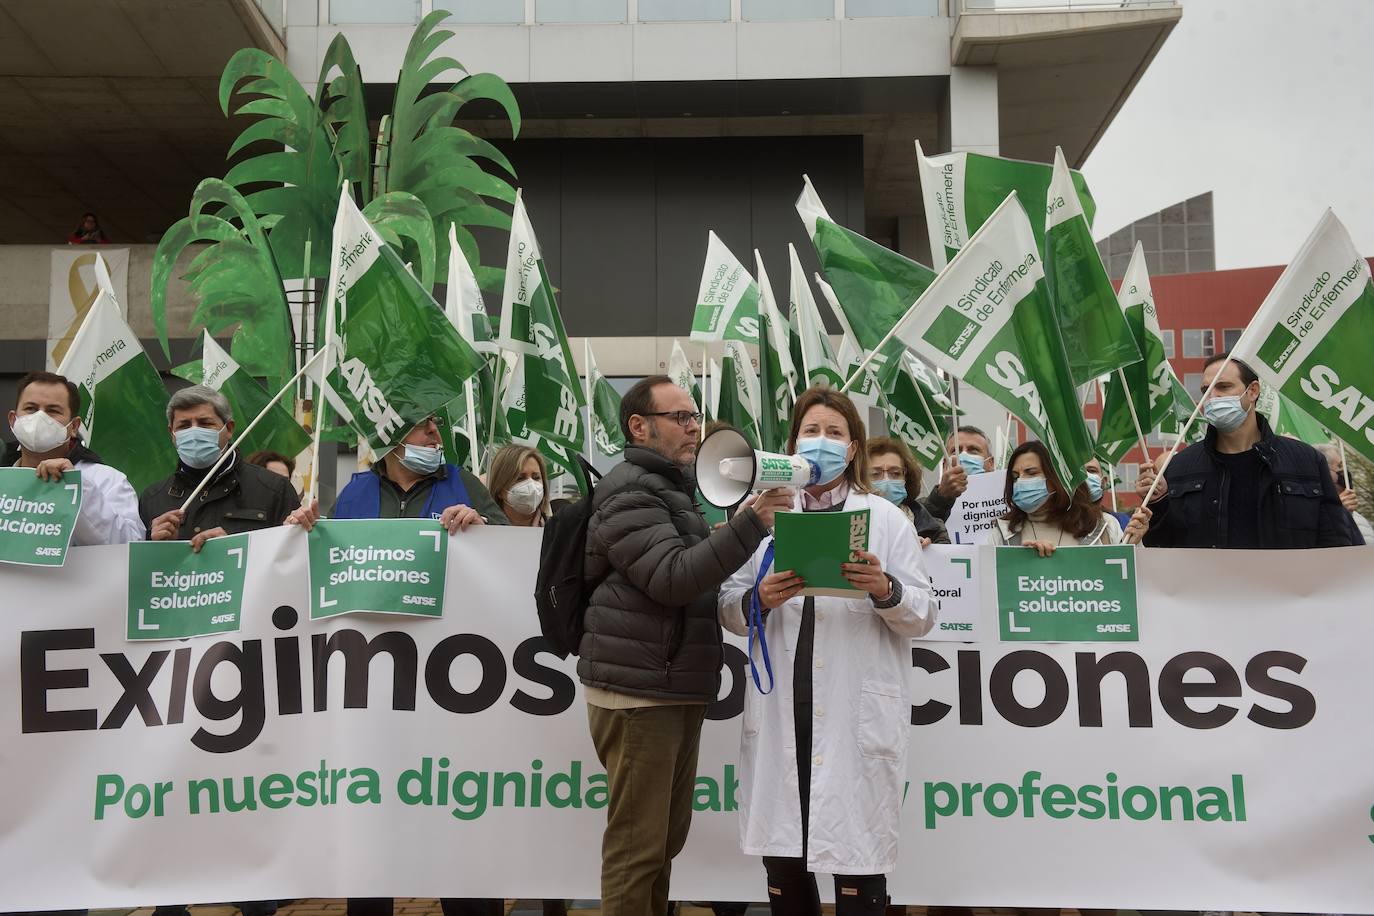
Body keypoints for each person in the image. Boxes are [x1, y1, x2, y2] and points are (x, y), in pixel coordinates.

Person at [718, 386, 937, 916]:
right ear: (792, 444)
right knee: (786, 866)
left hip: (852, 714)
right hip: (782, 714)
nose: (822, 443)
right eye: (811, 432)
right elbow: (727, 604)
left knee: (857, 863)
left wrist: (884, 589)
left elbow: (925, 614)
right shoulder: (761, 516)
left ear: (854, 448)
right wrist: (759, 600)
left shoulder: (885, 519)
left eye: (835, 433)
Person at [580, 375, 792, 916]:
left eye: (695, 416)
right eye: (681, 417)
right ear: (639, 426)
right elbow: (672, 578)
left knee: (661, 843)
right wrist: (748, 525)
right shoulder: (629, 490)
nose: (694, 426)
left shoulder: (672, 490)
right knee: (637, 850)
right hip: (638, 695)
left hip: (669, 687)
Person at [1137, 353, 1352, 549]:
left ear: (1253, 391)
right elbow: (1165, 548)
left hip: (1287, 589)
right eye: (1205, 391)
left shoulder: (1307, 461)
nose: (1211, 398)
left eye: (1223, 386)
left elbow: (1335, 541)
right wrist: (1158, 503)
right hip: (1211, 590)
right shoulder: (1180, 467)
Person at [139, 386, 313, 551]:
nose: (194, 432)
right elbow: (141, 573)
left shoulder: (274, 488)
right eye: (184, 425)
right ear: (172, 433)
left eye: (205, 423)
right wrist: (158, 548)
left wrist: (235, 548)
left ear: (228, 429)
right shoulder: (152, 498)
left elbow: (293, 559)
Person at [3, 370, 144, 545]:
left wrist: (76, 488)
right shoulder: (3, 481)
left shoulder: (107, 480)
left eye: (52, 411)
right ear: (12, 419)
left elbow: (129, 545)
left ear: (74, 426)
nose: (39, 417)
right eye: (30, 408)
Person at [332, 415, 507, 529]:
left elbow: (511, 547)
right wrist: (306, 529)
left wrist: (482, 526)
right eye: (421, 420)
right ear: (387, 433)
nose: (433, 429)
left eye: (434, 420)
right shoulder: (353, 494)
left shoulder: (463, 484)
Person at [989, 441, 1149, 554]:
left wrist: (1134, 546)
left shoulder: (1104, 525)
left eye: (1031, 473)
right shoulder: (1001, 532)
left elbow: (1134, 583)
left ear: (1056, 477)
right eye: (1015, 476)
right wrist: (1025, 563)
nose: (1021, 481)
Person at [866, 435, 949, 545]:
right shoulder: (847, 522)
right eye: (875, 474)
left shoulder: (933, 528)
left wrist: (925, 549)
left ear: (907, 478)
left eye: (895, 473)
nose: (886, 480)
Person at [922, 425, 996, 522]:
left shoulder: (1007, 504)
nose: (963, 455)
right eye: (955, 451)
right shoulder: (920, 509)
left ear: (990, 463)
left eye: (973, 450)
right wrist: (940, 499)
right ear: (945, 464)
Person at [1314, 441, 1370, 545]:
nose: (1344, 471)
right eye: (1339, 466)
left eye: (1344, 465)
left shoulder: (1359, 518)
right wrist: (1338, 513)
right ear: (1323, 470)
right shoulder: (1314, 515)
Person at [486, 444, 550, 526]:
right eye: (520, 478)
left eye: (536, 477)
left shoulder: (557, 530)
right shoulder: (482, 528)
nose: (531, 485)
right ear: (500, 489)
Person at [1084, 456, 1133, 532]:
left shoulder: (1121, 523)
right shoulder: (1058, 523)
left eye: (1091, 470)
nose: (1085, 476)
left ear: (1103, 483)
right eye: (1079, 471)